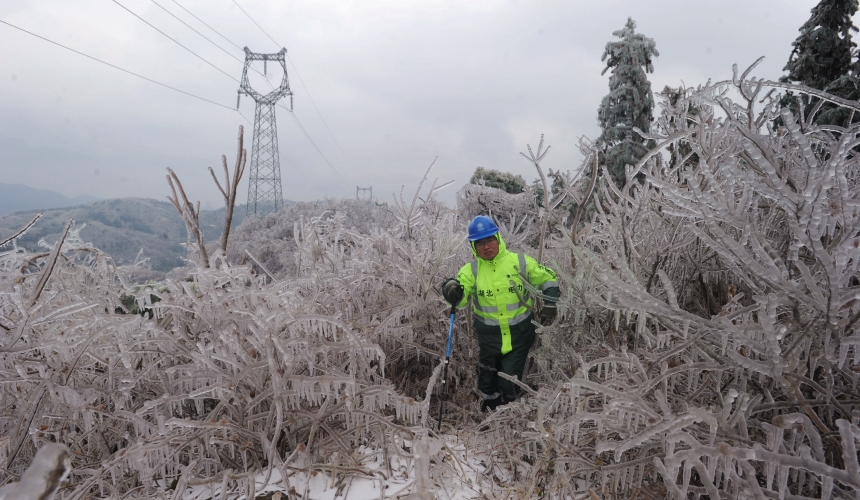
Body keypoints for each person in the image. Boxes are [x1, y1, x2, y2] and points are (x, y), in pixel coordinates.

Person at [441, 215, 560, 411]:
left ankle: (513, 411)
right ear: (473, 247)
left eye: (489, 240)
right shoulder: (471, 271)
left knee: (509, 381)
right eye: (479, 243)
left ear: (498, 238)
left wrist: (551, 301)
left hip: (519, 334)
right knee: (487, 380)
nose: (486, 246)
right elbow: (460, 299)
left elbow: (547, 278)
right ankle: (491, 409)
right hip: (489, 338)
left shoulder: (520, 262)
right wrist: (451, 289)